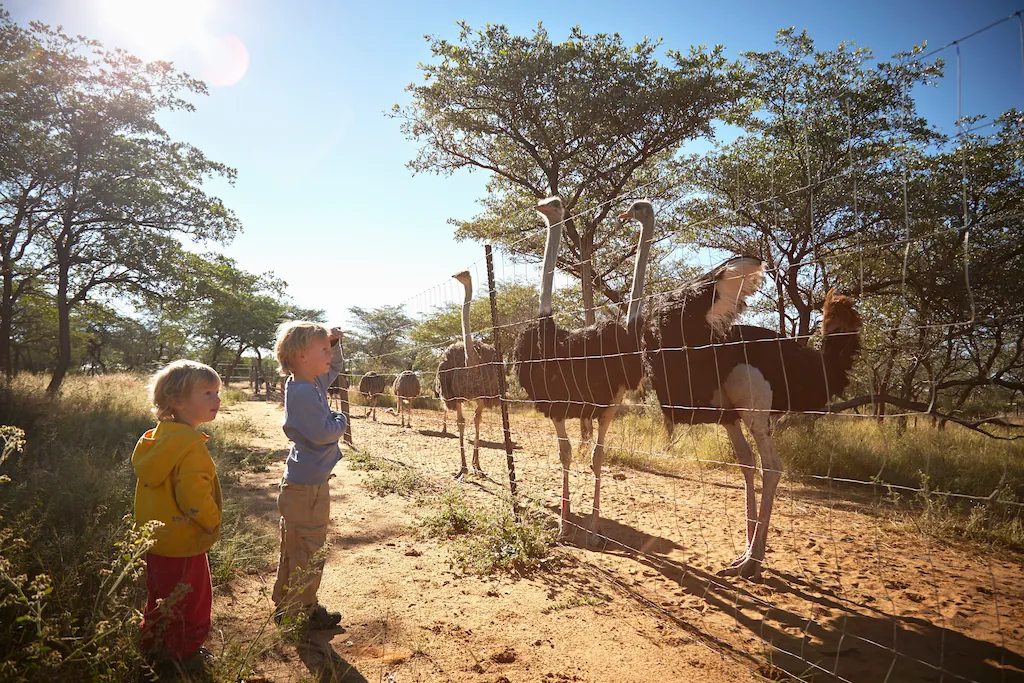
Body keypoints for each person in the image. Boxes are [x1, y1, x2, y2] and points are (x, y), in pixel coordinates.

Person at [132, 360, 223, 676]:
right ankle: (184, 657)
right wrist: (211, 521)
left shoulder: (155, 440)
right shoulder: (190, 446)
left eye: (217, 393)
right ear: (177, 401)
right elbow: (193, 498)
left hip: (155, 540)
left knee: (159, 597)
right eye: (208, 393)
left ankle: (153, 645)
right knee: (191, 601)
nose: (217, 400)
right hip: (183, 542)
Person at [271, 321, 347, 630]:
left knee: (296, 546)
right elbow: (323, 433)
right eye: (324, 350)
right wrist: (340, 418)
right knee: (309, 549)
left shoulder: (307, 382)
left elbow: (336, 368)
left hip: (305, 482)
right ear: (302, 355)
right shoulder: (303, 391)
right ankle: (302, 611)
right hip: (307, 489)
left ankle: (287, 605)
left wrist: (334, 343)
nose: (330, 355)